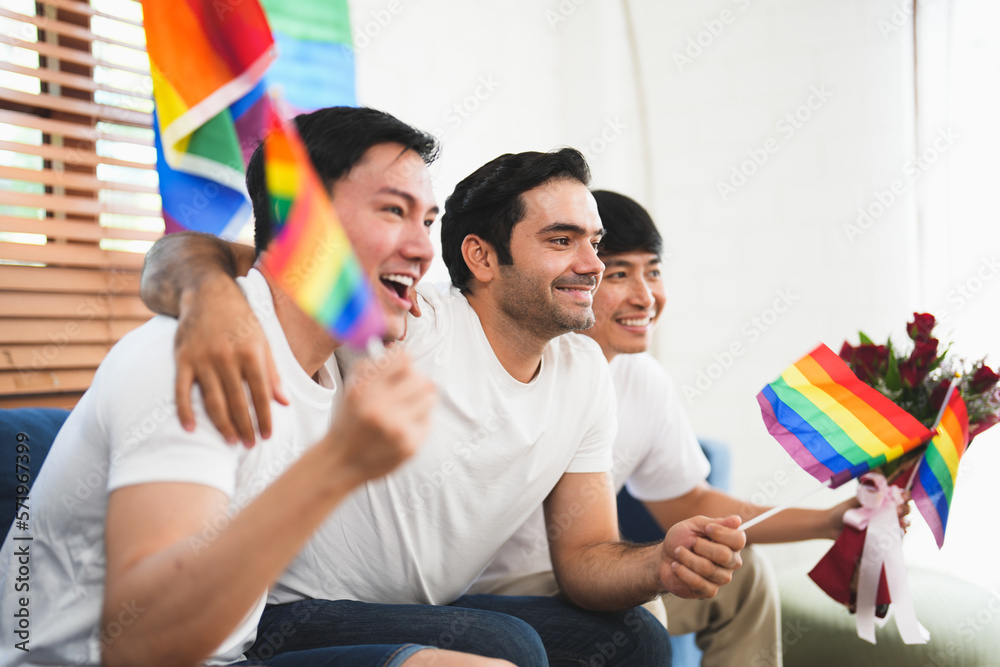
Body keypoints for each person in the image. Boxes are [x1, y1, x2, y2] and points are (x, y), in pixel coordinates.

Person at [139, 145, 749, 665]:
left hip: (425, 612)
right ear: (481, 257)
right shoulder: (409, 319)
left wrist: (658, 563)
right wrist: (208, 294)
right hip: (289, 612)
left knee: (636, 637)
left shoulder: (584, 371)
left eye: (593, 241)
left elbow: (586, 559)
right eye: (561, 241)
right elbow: (189, 255)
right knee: (504, 643)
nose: (592, 265)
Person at [0, 106, 518, 667]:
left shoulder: (342, 347)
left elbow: (223, 256)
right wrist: (341, 462)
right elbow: (138, 649)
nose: (421, 251)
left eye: (427, 221)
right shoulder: (202, 354)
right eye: (393, 210)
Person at [468, 190, 910, 667]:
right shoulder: (517, 370)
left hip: (587, 575)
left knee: (741, 576)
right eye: (619, 273)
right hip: (499, 592)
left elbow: (691, 500)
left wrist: (826, 522)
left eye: (653, 271)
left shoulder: (643, 381)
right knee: (643, 612)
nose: (646, 296)